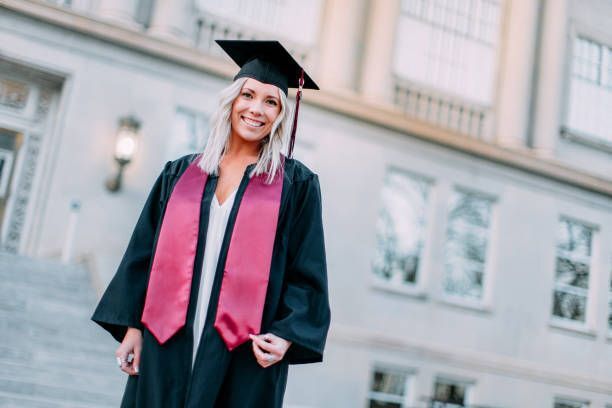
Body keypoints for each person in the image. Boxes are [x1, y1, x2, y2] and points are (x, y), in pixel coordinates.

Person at [91, 40, 330, 408]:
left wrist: (287, 335)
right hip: (166, 339)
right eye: (248, 95)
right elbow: (144, 252)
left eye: (271, 102)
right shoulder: (180, 174)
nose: (256, 109)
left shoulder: (295, 186)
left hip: (243, 350)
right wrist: (132, 326)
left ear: (282, 114)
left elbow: (307, 271)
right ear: (232, 101)